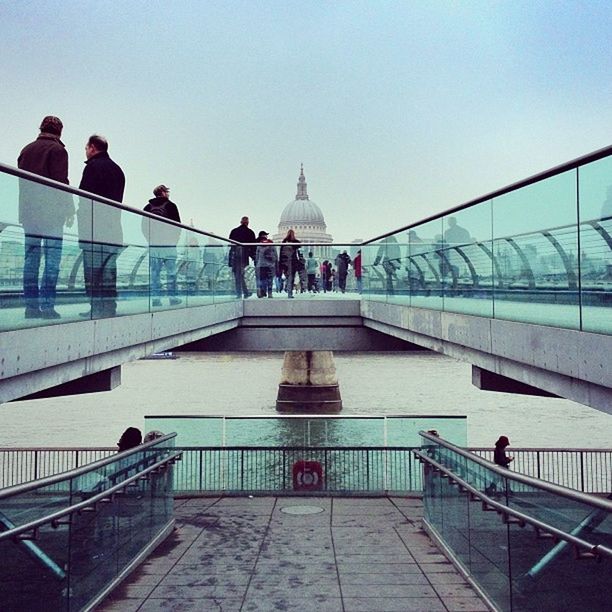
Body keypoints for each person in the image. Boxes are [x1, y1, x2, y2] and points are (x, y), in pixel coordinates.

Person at [18, 115, 74, 320]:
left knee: (30, 261)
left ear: (41, 128)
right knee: (52, 261)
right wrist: (69, 209)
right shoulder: (58, 150)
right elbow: (61, 183)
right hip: (51, 215)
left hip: (29, 214)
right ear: (59, 132)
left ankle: (30, 308)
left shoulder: (26, 150)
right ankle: (47, 307)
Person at [77, 135, 125, 318]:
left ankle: (95, 308)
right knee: (108, 271)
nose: (86, 152)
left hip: (93, 229)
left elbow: (84, 197)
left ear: (92, 147)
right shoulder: (118, 170)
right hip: (113, 229)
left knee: (93, 272)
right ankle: (109, 307)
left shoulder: (92, 167)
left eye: (86, 148)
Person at [143, 185, 182, 307]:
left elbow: (144, 227)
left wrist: (150, 240)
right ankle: (173, 298)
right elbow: (178, 226)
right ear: (164, 193)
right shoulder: (171, 206)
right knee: (171, 273)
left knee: (155, 273)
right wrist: (174, 241)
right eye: (167, 192)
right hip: (169, 245)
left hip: (154, 246)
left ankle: (156, 299)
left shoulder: (147, 207)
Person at [228, 216, 256, 298]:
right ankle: (243, 292)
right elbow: (252, 247)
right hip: (243, 256)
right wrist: (253, 257)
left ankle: (241, 292)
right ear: (247, 223)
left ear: (241, 222)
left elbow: (231, 244)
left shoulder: (234, 231)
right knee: (239, 274)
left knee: (238, 275)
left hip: (234, 255)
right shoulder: (250, 232)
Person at [255, 231, 277, 298]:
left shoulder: (259, 245)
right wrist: (275, 263)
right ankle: (270, 293)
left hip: (261, 265)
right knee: (270, 280)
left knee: (262, 280)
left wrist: (257, 264)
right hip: (270, 265)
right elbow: (275, 256)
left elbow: (257, 256)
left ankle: (262, 292)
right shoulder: (271, 245)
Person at [279, 229, 301, 298]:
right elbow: (300, 245)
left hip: (285, 263)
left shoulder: (283, 242)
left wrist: (281, 264)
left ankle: (288, 291)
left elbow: (280, 254)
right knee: (291, 278)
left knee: (288, 278)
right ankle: (289, 292)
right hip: (292, 262)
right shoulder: (295, 242)